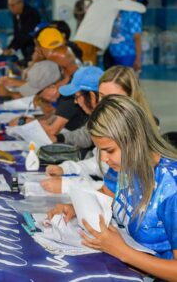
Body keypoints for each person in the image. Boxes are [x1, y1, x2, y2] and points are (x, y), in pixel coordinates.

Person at [48, 95, 177, 281]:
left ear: (135, 140)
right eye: (100, 150)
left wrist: (122, 251)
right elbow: (105, 195)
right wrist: (73, 207)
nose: (104, 159)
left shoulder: (171, 188)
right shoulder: (125, 164)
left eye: (109, 150)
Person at [42, 65, 158, 194]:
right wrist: (67, 168)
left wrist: (69, 185)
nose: (104, 104)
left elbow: (120, 191)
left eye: (112, 97)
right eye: (102, 96)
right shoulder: (109, 122)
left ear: (130, 98)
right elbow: (101, 164)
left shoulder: (136, 133)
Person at [74, 0, 146, 65]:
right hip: (89, 41)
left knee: (88, 69)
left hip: (86, 39)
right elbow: (142, 8)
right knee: (86, 72)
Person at [109, 0, 143, 71]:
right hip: (113, 54)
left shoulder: (134, 13)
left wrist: (138, 59)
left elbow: (137, 38)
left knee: (127, 83)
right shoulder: (116, 10)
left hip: (128, 55)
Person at [5, 0, 41, 64]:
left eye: (12, 5)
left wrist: (13, 49)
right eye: (9, 5)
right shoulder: (16, 15)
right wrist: (9, 48)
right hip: (24, 48)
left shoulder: (31, 13)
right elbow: (17, 34)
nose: (10, 8)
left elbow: (26, 35)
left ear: (21, 4)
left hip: (33, 47)